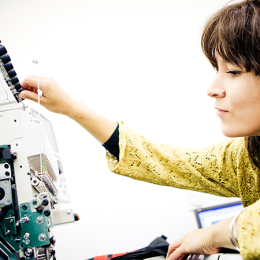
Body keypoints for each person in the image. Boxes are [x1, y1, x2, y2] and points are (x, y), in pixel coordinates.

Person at [19, 0, 260, 259]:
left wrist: (217, 233)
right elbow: (162, 161)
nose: (212, 88)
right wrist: (71, 108)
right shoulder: (244, 156)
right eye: (217, 70)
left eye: (233, 72)